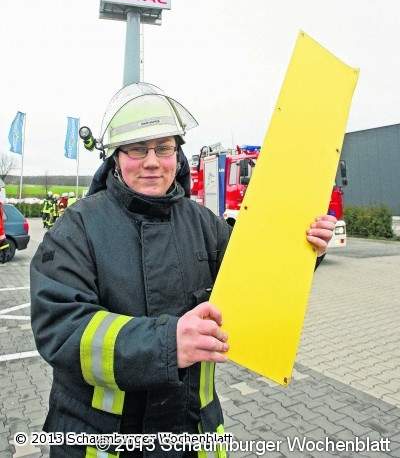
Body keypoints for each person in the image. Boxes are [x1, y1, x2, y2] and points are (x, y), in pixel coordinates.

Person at [30, 83, 335, 458]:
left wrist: (304, 247)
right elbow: (60, 328)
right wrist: (166, 343)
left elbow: (256, 279)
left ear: (177, 154)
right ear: (115, 158)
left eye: (163, 147)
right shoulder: (77, 228)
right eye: (137, 148)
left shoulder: (204, 224)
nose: (152, 161)